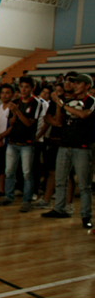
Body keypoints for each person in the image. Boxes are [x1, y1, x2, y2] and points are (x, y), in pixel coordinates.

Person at [42, 74, 94, 228]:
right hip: (65, 145)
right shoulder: (67, 100)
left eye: (79, 83)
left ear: (87, 86)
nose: (75, 85)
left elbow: (84, 114)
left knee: (84, 185)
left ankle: (86, 216)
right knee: (60, 180)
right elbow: (58, 122)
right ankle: (59, 209)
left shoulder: (91, 101)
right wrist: (59, 105)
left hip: (82, 148)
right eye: (74, 83)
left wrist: (62, 105)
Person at [0, 77, 39, 212]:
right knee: (9, 171)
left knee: (26, 173)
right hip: (13, 141)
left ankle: (27, 200)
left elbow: (28, 123)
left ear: (32, 88)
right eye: (22, 86)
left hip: (27, 142)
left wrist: (18, 111)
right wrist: (14, 112)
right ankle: (9, 196)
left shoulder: (35, 103)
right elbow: (13, 123)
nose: (23, 89)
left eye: (26, 87)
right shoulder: (15, 102)